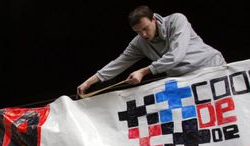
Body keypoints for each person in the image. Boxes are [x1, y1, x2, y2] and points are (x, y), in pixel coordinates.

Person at [77, 5, 225, 96]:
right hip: (186, 80)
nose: (144, 35)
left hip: (212, 68)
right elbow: (118, 63)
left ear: (154, 19)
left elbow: (176, 55)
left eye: (145, 28)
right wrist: (89, 82)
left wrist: (144, 71)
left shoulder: (176, 20)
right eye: (138, 32)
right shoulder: (139, 43)